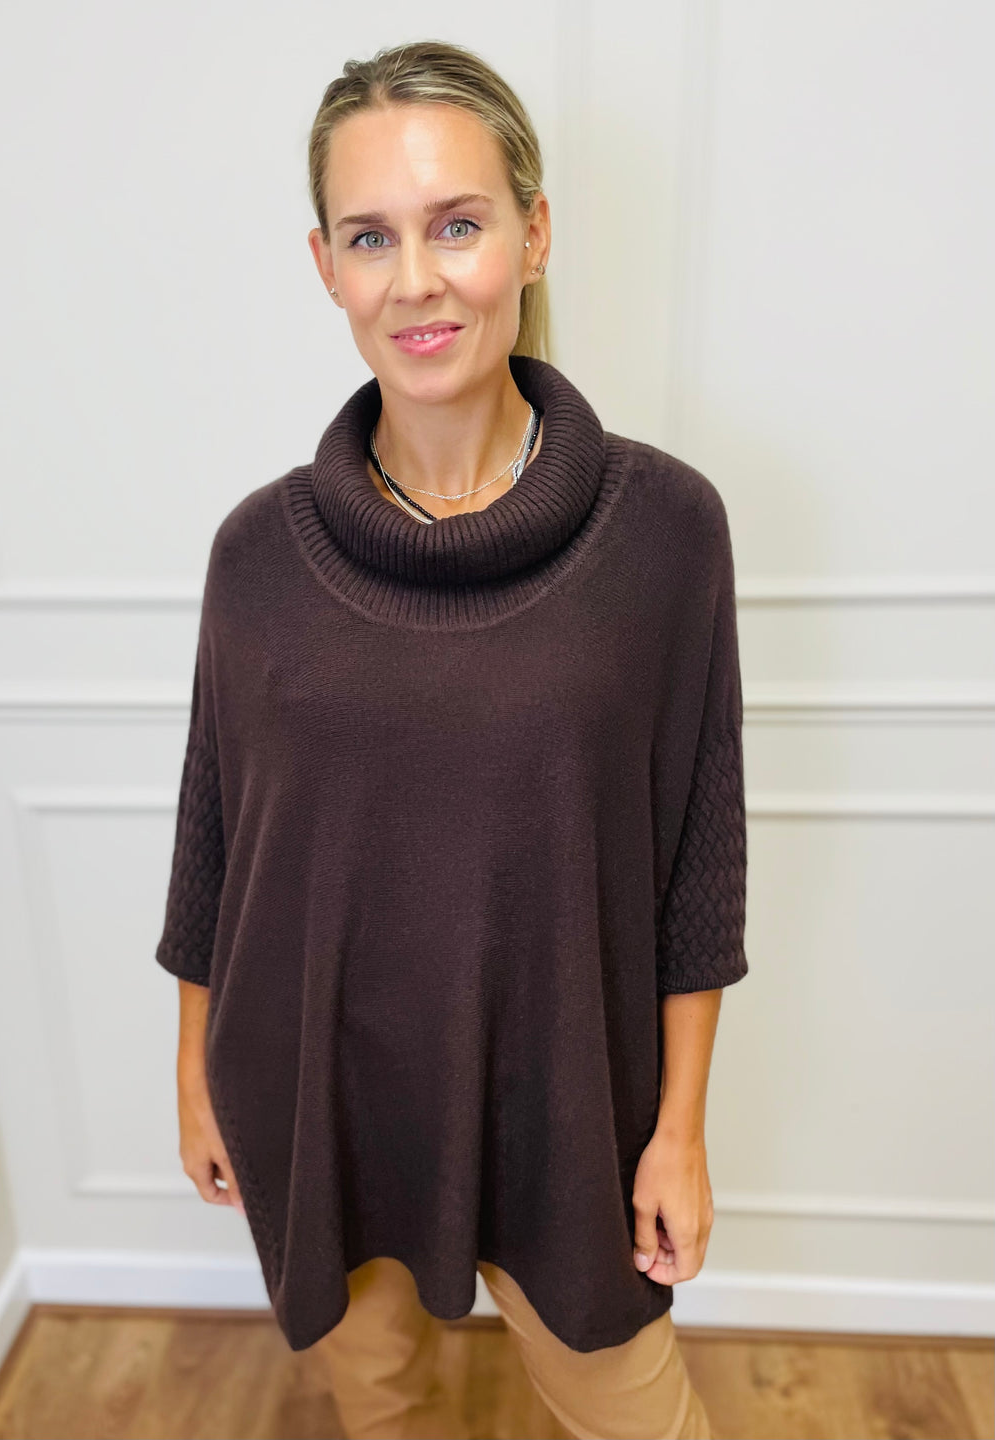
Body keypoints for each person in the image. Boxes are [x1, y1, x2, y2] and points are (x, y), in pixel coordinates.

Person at [155, 38, 749, 1440]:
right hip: (320, 1096)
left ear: (533, 234)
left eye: (457, 224)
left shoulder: (665, 532)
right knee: (384, 1411)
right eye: (371, 237)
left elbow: (698, 860)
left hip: (570, 1104)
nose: (415, 279)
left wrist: (679, 1127)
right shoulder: (256, 554)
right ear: (325, 266)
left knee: (635, 1414)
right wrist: (195, 1073)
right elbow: (216, 832)